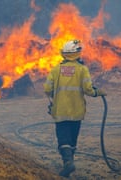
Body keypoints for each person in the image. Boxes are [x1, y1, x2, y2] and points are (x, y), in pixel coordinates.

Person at [43, 39, 106, 177]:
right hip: (77, 112)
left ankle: (68, 162)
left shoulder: (56, 69)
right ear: (77, 54)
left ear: (64, 54)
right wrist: (99, 92)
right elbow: (89, 90)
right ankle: (70, 161)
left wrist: (52, 99)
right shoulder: (82, 70)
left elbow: (47, 88)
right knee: (72, 137)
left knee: (63, 137)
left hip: (60, 111)